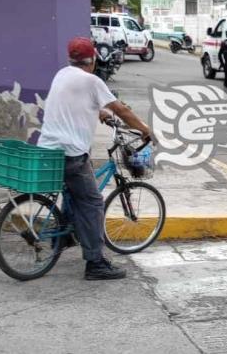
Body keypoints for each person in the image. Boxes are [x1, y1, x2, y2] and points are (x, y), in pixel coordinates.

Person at [38, 37, 152, 281]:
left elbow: (73, 103)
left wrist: (99, 111)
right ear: (92, 60)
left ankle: (62, 237)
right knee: (92, 203)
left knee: (72, 193)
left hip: (49, 149)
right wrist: (145, 129)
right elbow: (122, 109)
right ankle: (95, 263)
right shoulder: (91, 80)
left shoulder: (62, 74)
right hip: (71, 153)